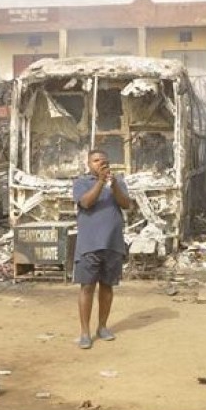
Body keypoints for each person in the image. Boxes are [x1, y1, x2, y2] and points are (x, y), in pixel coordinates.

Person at [72, 149, 132, 349]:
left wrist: (113, 184)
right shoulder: (81, 183)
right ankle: (85, 332)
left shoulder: (117, 182)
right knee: (87, 287)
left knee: (107, 286)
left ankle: (103, 327)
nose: (101, 164)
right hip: (89, 244)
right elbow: (87, 203)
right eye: (96, 161)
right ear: (89, 164)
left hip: (112, 244)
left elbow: (126, 204)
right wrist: (99, 182)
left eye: (104, 161)